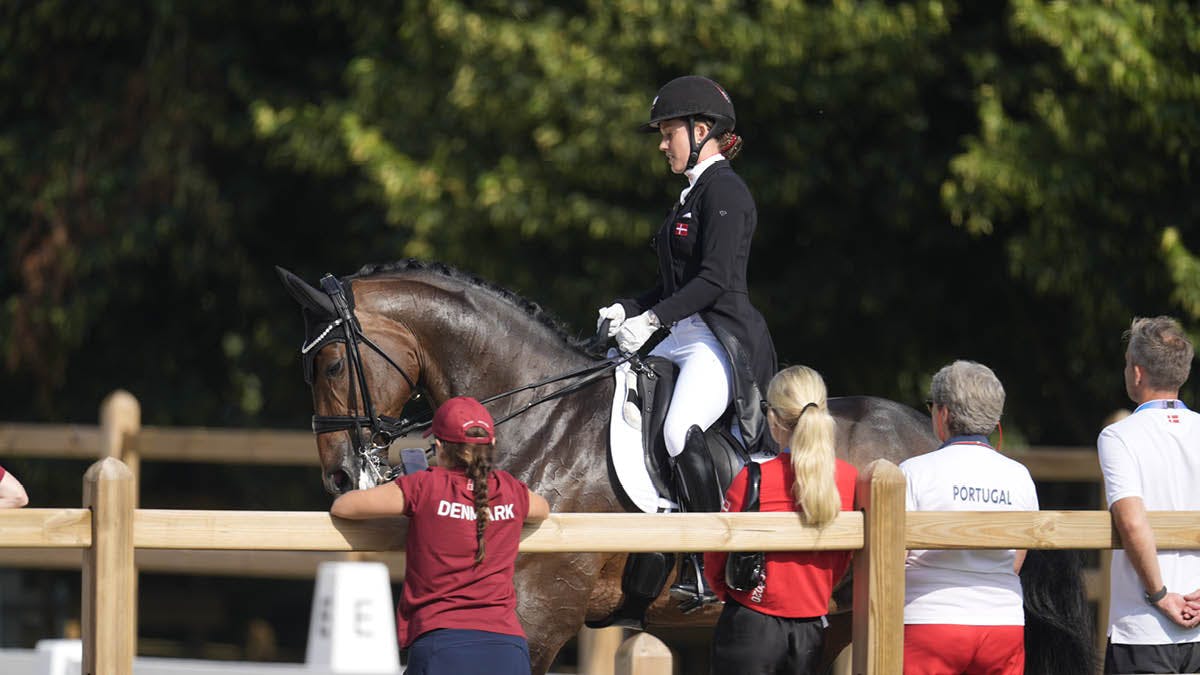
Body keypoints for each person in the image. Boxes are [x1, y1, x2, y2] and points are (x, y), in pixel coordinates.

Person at [596, 74, 777, 605]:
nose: (661, 143)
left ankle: (718, 561)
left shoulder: (726, 192)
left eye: (667, 131)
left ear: (702, 130)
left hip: (718, 339)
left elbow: (714, 280)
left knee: (679, 430)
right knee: (606, 380)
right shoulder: (690, 195)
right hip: (682, 329)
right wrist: (628, 308)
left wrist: (651, 322)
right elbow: (670, 283)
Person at [330, 396, 551, 675]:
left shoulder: (424, 485)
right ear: (492, 446)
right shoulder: (510, 489)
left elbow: (344, 506)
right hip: (509, 649)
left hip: (443, 646)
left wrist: (412, 489)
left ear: (439, 447)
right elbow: (542, 508)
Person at [703, 365, 857, 674]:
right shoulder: (849, 479)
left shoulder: (752, 478)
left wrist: (731, 593)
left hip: (752, 622)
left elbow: (716, 560)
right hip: (811, 627)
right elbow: (843, 559)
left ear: (773, 421)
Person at [900, 360, 1038, 675]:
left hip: (930, 620)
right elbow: (1017, 559)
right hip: (1003, 621)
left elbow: (895, 559)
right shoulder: (1019, 477)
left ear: (944, 413)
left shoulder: (914, 471)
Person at [1098, 316, 1200, 674]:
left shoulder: (1119, 436)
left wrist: (1160, 595)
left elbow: (1130, 519)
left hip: (1143, 626)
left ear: (1137, 372)